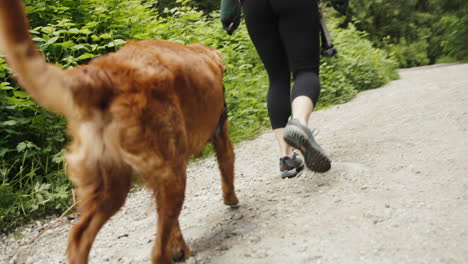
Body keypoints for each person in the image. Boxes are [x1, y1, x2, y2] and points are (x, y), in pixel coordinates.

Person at [221, 0, 347, 178]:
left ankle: (286, 158)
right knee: (306, 71)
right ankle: (299, 124)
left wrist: (228, 10)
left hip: (254, 6)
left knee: (277, 78)